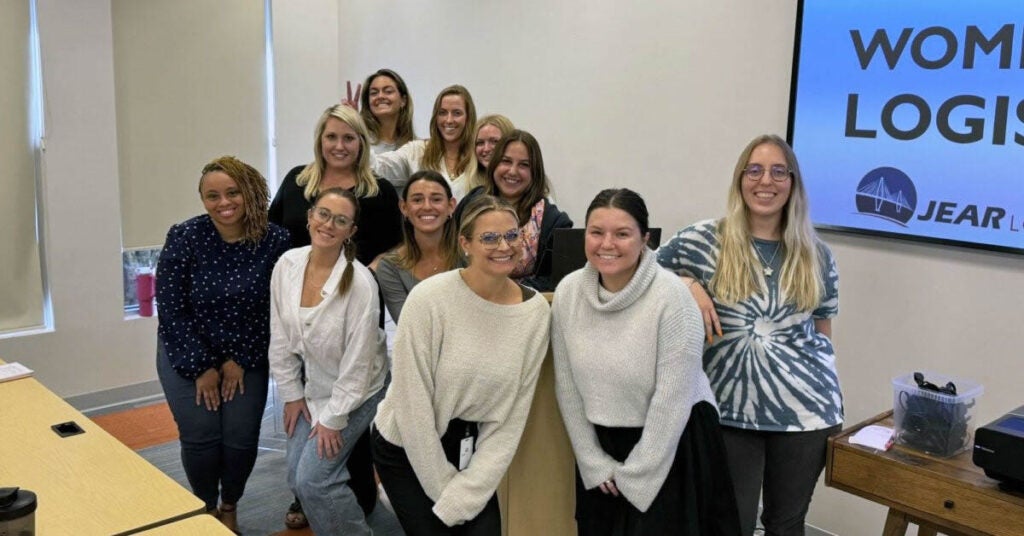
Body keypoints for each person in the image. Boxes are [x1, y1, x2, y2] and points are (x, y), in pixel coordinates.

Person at [656, 134, 842, 536]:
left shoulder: (816, 254)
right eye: (754, 170)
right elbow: (645, 270)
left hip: (806, 414)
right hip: (728, 408)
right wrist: (688, 284)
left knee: (786, 525)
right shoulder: (704, 240)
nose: (765, 181)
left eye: (778, 172)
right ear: (740, 179)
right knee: (729, 524)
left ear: (792, 183)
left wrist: (826, 392)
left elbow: (823, 327)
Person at [552, 188, 741, 536]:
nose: (607, 244)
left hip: (673, 443)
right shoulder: (568, 292)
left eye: (622, 234)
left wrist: (637, 475)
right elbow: (566, 386)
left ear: (645, 239)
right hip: (602, 445)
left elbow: (672, 399)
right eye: (596, 232)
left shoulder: (673, 298)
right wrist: (591, 461)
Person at [371, 195, 550, 535]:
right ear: (465, 243)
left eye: (512, 235)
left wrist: (468, 493)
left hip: (469, 447)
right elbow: (412, 404)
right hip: (405, 444)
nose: (504, 246)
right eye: (489, 238)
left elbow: (510, 418)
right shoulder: (429, 298)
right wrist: (447, 492)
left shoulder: (535, 313)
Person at [268, 103, 399, 529]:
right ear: (310, 216)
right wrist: (292, 394)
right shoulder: (287, 265)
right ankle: (342, 503)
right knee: (299, 477)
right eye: (331, 136)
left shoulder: (359, 280)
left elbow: (358, 366)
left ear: (351, 230)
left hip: (353, 377)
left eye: (349, 137)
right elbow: (281, 340)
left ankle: (354, 511)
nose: (328, 223)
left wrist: (333, 417)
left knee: (316, 478)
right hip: (312, 375)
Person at [155, 156, 290, 533]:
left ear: (249, 192)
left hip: (248, 353)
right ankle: (206, 508)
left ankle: (229, 504)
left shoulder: (276, 240)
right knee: (201, 436)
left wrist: (239, 359)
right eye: (212, 196)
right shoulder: (185, 236)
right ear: (202, 200)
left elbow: (276, 308)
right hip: (186, 351)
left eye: (232, 192)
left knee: (240, 438)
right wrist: (202, 367)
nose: (224, 202)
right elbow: (170, 308)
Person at [455, 129, 572, 291]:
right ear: (494, 164)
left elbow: (556, 280)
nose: (512, 171)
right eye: (506, 161)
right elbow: (453, 256)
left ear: (535, 172)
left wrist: (506, 292)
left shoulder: (554, 221)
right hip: (469, 294)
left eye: (524, 165)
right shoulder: (471, 202)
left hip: (525, 300)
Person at [376, 170, 461, 321]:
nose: (427, 207)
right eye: (417, 200)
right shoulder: (390, 267)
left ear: (451, 206)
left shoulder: (470, 255)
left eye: (436, 199)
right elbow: (408, 325)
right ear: (404, 207)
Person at [371, 84, 477, 198]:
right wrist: (357, 128)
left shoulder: (479, 155)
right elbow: (377, 167)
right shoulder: (416, 151)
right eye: (442, 113)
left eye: (457, 113)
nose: (449, 120)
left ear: (468, 117)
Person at [340, 69, 416, 155]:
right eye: (374, 93)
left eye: (388, 91)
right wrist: (350, 124)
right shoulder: (360, 140)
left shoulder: (415, 147)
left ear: (403, 100)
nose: (380, 96)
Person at [468, 114, 515, 191]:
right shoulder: (466, 185)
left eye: (494, 141)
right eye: (480, 143)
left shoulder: (523, 182)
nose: (486, 149)